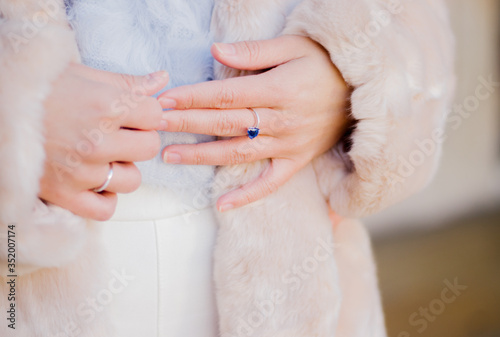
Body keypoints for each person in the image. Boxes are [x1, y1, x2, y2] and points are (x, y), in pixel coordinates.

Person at [0, 0, 454, 336]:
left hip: (293, 280)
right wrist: (16, 115)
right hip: (26, 286)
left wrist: (347, 81)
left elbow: (416, 22)